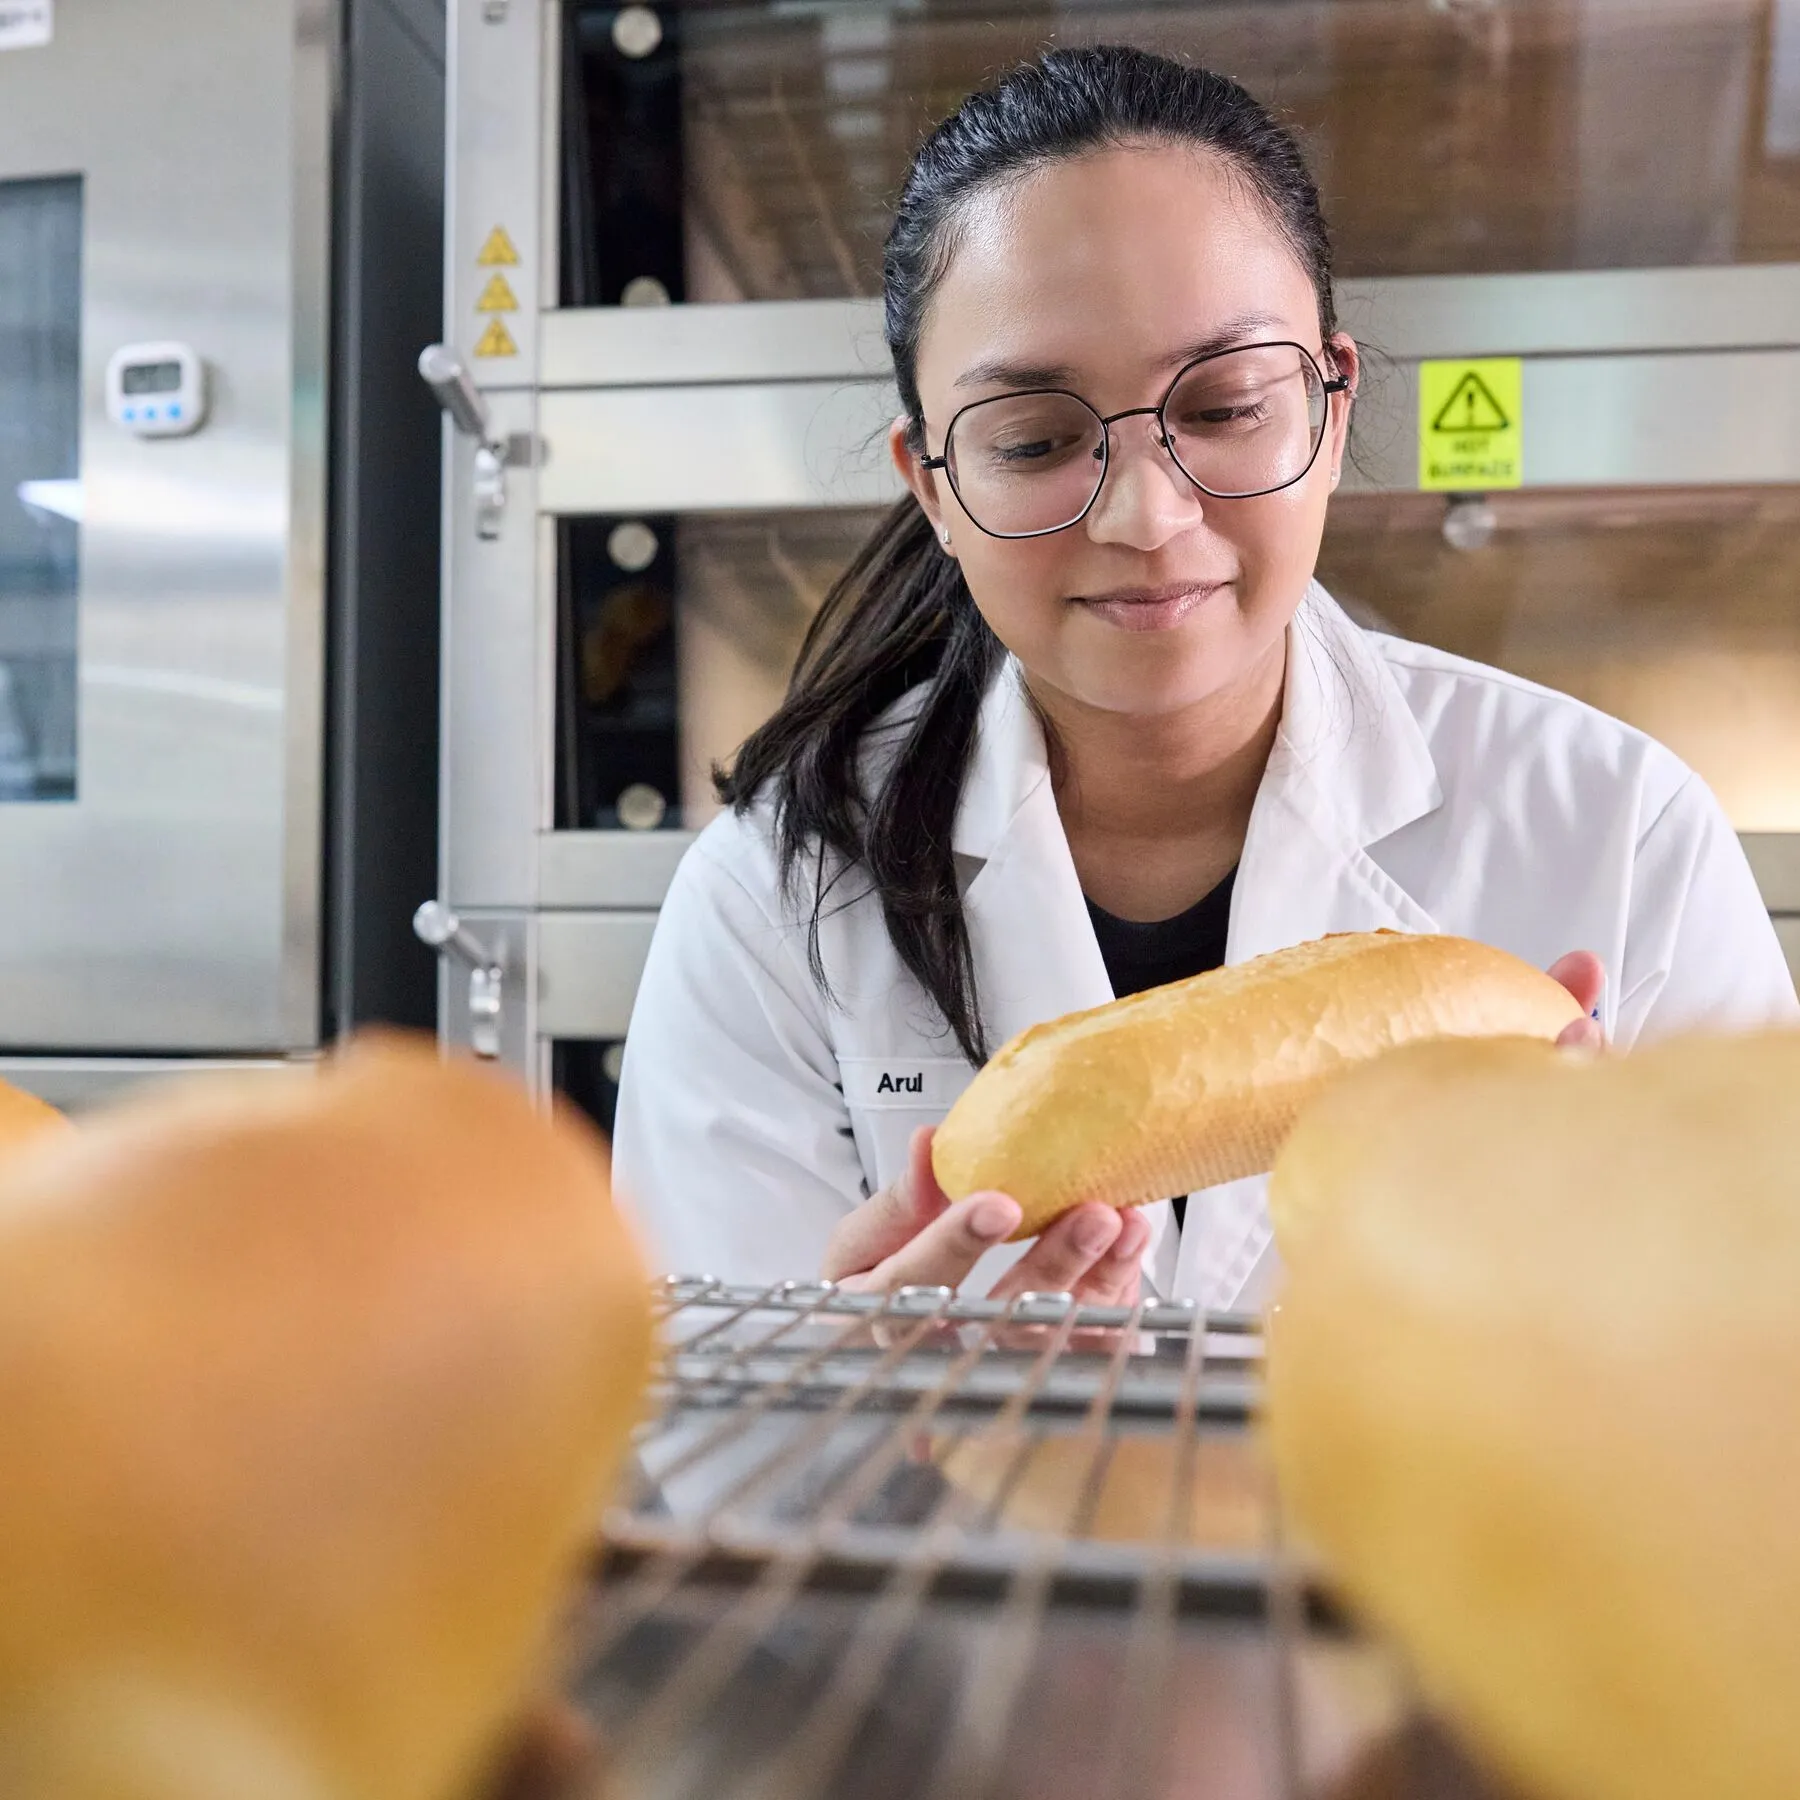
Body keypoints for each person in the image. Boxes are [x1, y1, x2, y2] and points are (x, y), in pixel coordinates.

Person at [613, 45, 1798, 1312]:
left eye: (1226, 406)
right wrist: (852, 1409)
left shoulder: (1620, 837)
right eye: (1034, 438)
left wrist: (1596, 1294)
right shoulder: (772, 901)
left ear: (1330, 416)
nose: (1146, 514)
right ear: (934, 488)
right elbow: (696, 1461)